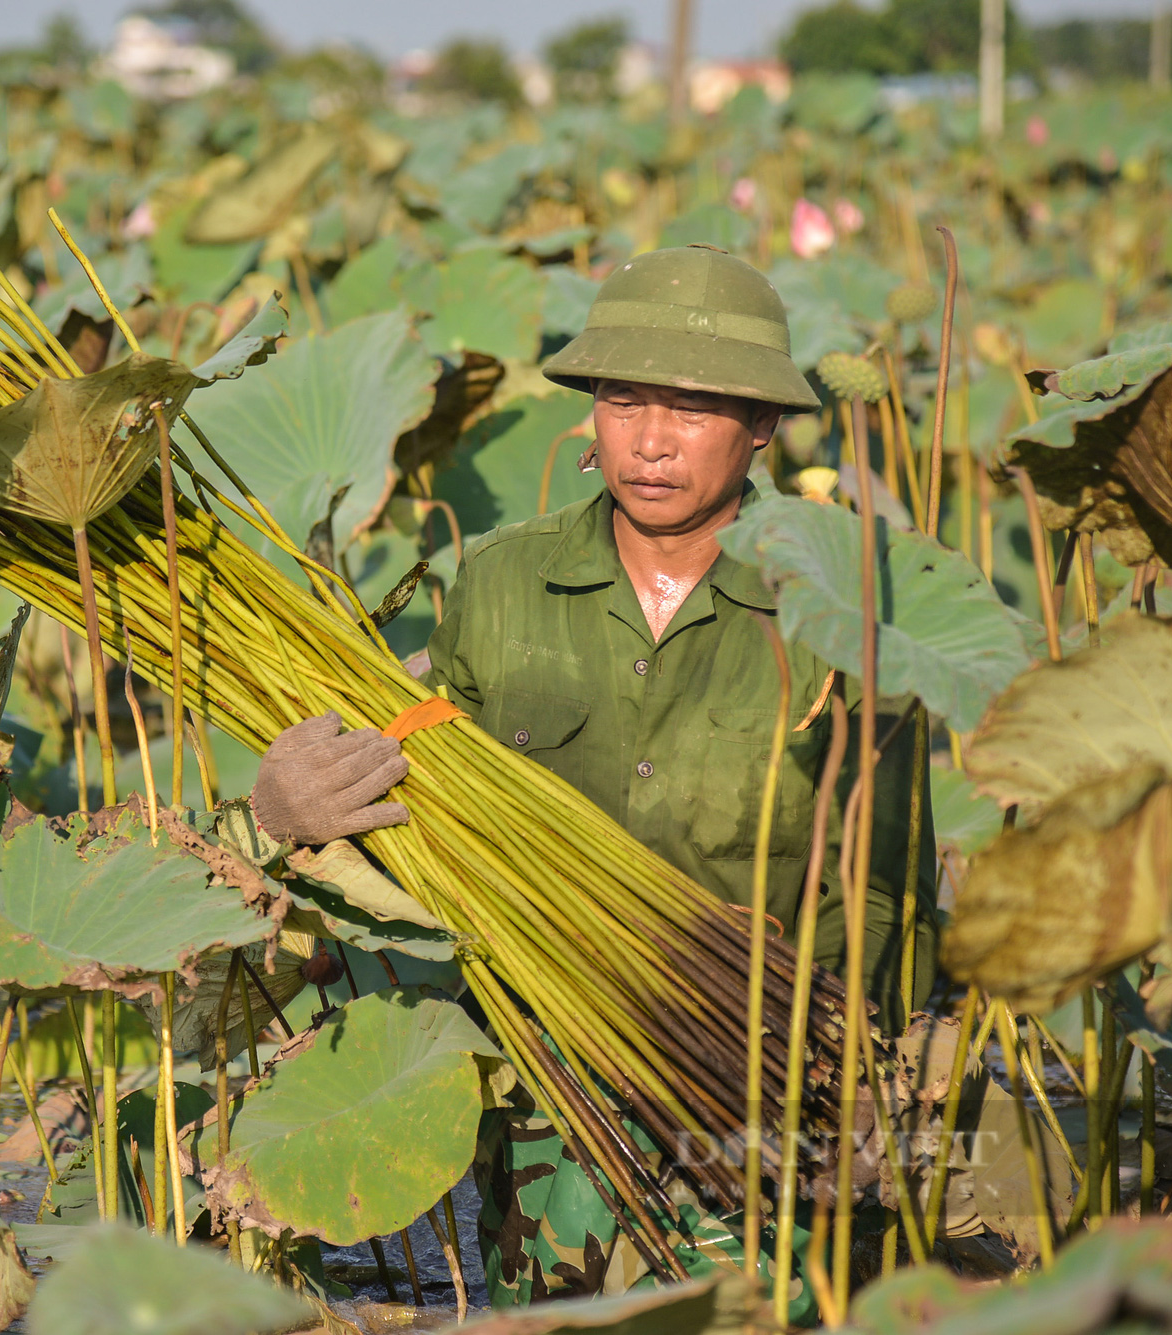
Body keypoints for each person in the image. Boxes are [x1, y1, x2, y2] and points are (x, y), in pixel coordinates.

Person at [248, 245, 936, 1307]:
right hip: (551, 1096)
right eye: (622, 402)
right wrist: (289, 812)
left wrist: (857, 1077)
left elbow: (885, 885)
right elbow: (415, 802)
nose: (649, 443)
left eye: (693, 410)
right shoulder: (501, 582)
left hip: (761, 1080)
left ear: (761, 428)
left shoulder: (843, 599)